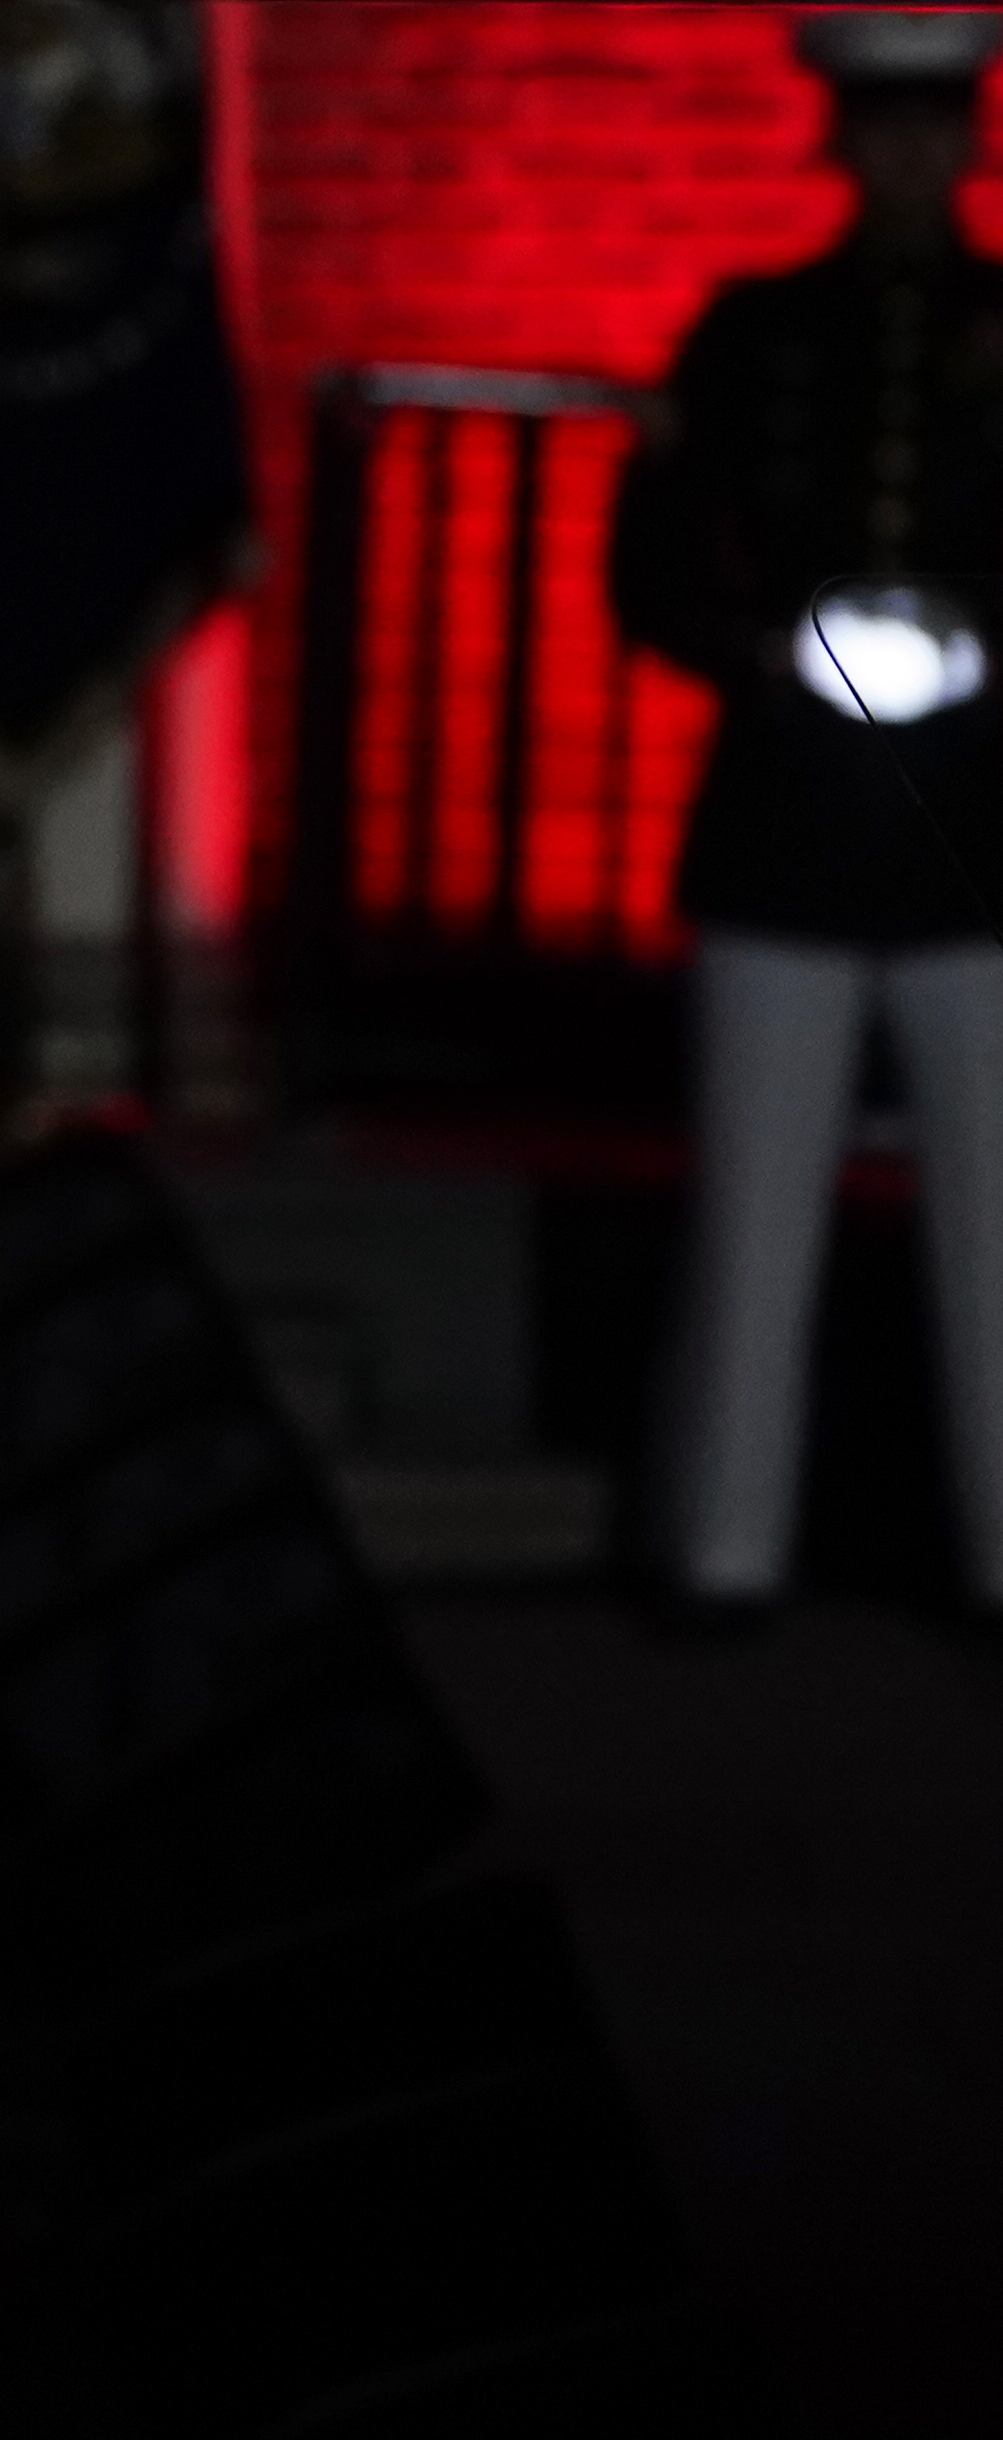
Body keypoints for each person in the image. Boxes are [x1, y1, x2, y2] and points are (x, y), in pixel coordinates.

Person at [608, 8, 1003, 1629]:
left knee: (998, 1226)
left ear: (968, 139)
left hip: (980, 829)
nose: (906, 153)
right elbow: (652, 560)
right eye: (880, 123)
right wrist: (756, 650)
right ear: (840, 137)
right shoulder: (752, 332)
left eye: (935, 124)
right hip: (785, 814)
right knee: (754, 1210)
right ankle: (726, 1556)